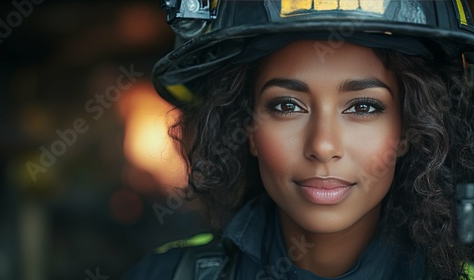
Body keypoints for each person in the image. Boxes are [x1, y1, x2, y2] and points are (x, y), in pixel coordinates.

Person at [123, 0, 474, 279]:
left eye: (363, 107)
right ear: (247, 128)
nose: (322, 146)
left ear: (408, 130)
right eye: (287, 105)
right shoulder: (166, 275)